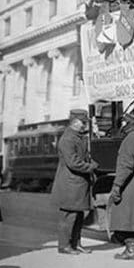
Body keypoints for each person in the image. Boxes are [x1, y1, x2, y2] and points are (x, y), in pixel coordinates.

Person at [50, 109, 99, 255]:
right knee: (69, 216)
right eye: (83, 123)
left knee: (77, 216)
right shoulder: (68, 139)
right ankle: (64, 245)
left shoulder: (77, 137)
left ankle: (75, 244)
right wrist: (90, 167)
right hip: (70, 184)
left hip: (76, 183)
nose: (85, 126)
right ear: (75, 122)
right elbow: (73, 163)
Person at [109, 110, 134, 260]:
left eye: (122, 122)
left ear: (126, 124)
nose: (120, 125)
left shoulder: (130, 139)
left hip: (129, 186)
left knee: (127, 216)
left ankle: (131, 251)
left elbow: (126, 166)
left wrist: (117, 185)